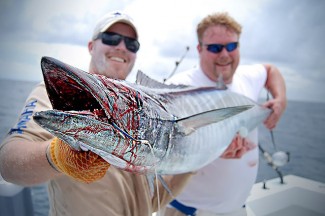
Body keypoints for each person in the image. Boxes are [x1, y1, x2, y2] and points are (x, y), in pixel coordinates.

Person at [0, 11, 193, 216]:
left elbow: (151, 203)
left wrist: (192, 166)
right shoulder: (59, 92)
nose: (121, 47)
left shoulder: (143, 112)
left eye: (131, 44)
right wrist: (57, 156)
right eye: (111, 38)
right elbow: (8, 162)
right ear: (91, 46)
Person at [162, 12, 287, 216]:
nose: (224, 54)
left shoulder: (246, 76)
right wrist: (213, 152)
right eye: (214, 48)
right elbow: (163, 159)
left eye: (231, 46)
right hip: (188, 211)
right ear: (199, 49)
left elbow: (271, 71)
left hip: (237, 209)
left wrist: (280, 100)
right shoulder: (175, 91)